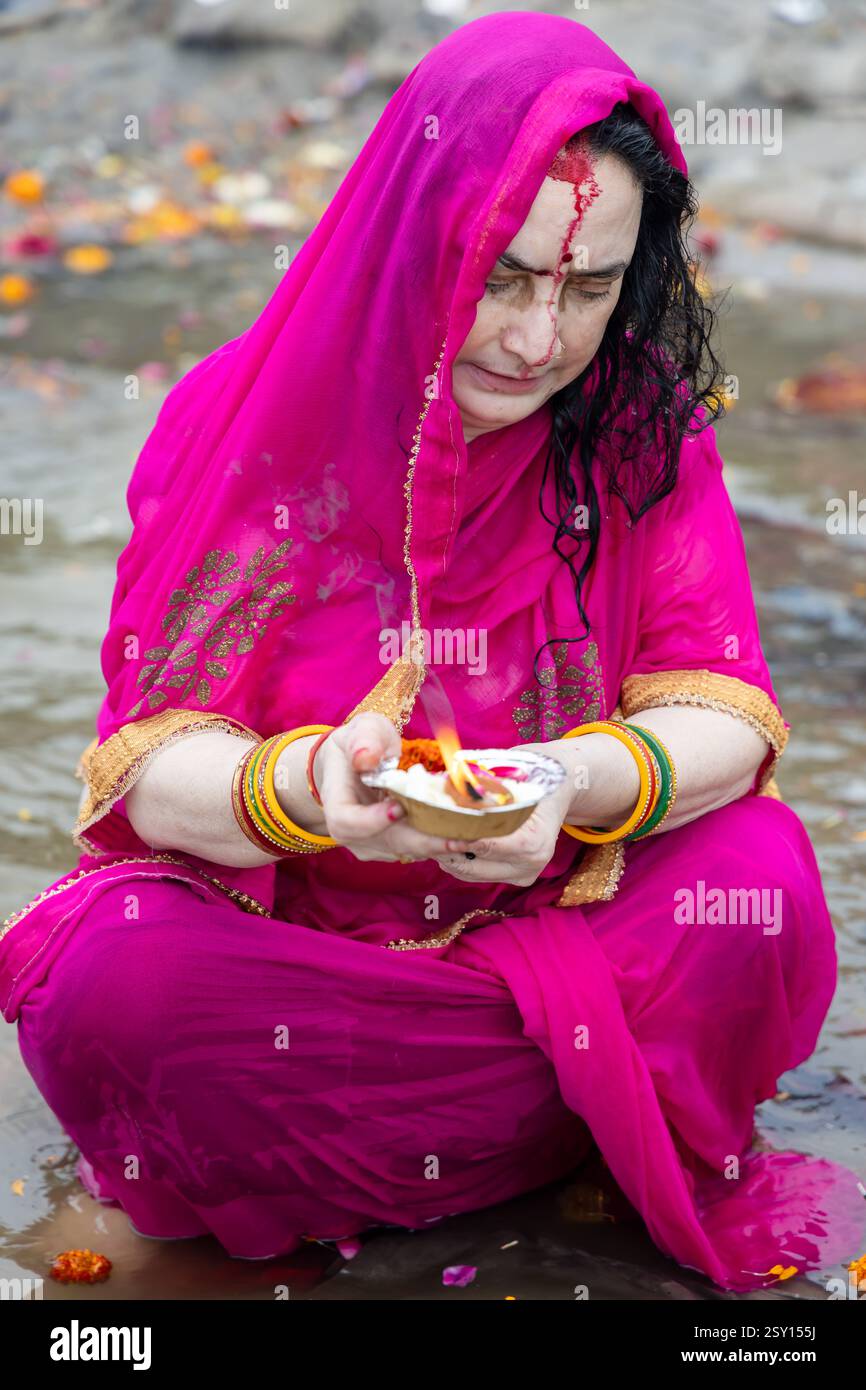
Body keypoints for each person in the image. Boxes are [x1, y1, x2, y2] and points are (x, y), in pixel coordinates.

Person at [2, 12, 862, 1292]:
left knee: (757, 882)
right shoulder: (242, 422)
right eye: (501, 278)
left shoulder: (636, 434)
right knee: (117, 983)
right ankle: (563, 1109)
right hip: (302, 961)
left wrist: (573, 782)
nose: (534, 341)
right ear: (419, 240)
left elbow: (723, 710)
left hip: (560, 907)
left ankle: (474, 1115)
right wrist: (308, 795)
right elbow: (148, 765)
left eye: (585, 289)